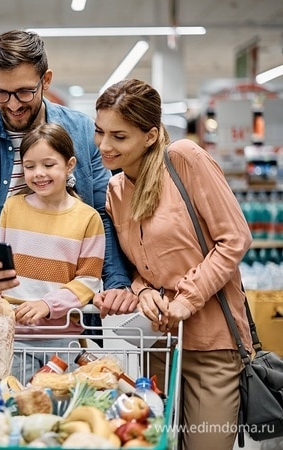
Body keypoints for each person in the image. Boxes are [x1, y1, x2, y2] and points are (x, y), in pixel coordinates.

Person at [0, 29, 134, 332]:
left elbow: (103, 217)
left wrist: (118, 284)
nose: (13, 105)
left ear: (46, 80)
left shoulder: (82, 133)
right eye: (0, 92)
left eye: (25, 92)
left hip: (71, 317)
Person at [92, 78, 253, 450]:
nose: (104, 146)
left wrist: (187, 299)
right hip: (159, 347)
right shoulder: (115, 192)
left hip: (213, 346)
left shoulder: (184, 159)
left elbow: (235, 238)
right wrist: (143, 291)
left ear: (149, 136)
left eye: (119, 136)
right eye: (100, 132)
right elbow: (140, 267)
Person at [0, 123, 105, 339]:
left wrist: (48, 304)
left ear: (70, 165)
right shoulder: (12, 207)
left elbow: (88, 281)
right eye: (30, 166)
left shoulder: (88, 218)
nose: (39, 174)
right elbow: (0, 267)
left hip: (60, 336)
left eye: (48, 165)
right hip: (11, 333)